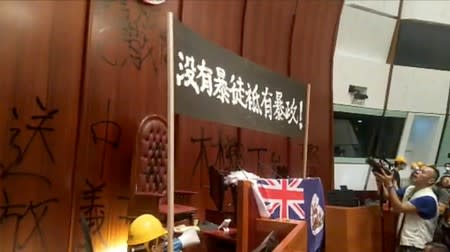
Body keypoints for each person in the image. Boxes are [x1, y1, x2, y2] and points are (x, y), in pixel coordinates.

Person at [375, 165, 440, 252]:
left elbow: (399, 208)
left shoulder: (428, 198)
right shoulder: (410, 189)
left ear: (431, 180)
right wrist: (380, 181)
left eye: (422, 172)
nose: (417, 172)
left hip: (416, 245)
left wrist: (390, 184)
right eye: (419, 170)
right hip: (403, 240)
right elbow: (387, 196)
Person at [127, 214, 200, 252]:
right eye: (162, 239)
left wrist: (174, 230)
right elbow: (193, 236)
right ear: (154, 248)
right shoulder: (170, 247)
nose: (165, 242)